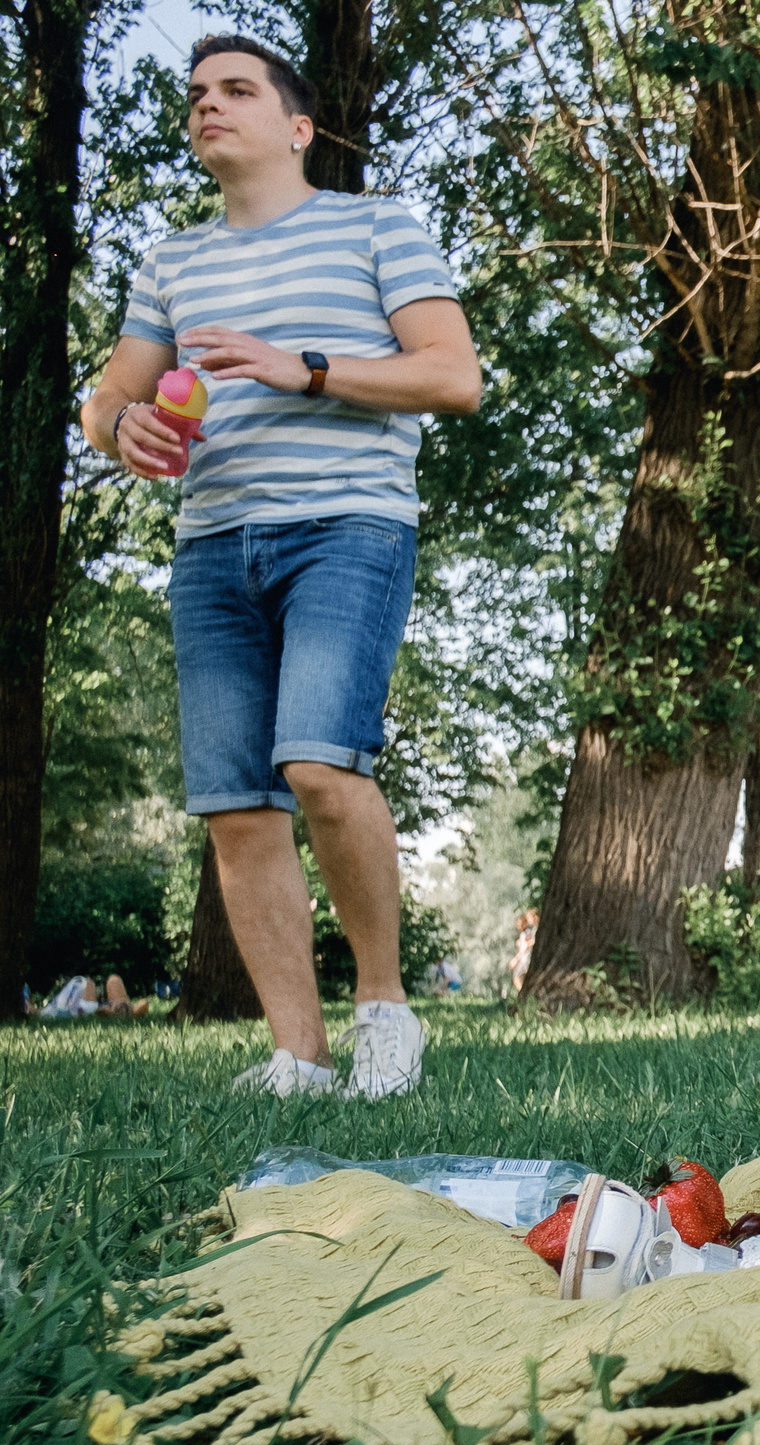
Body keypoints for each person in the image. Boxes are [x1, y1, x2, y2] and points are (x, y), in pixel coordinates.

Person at [79, 35, 480, 1098]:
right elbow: (107, 395)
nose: (209, 104)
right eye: (198, 93)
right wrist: (122, 428)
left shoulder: (373, 225)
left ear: (297, 127)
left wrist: (298, 369)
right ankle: (297, 1057)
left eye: (237, 89)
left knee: (317, 766)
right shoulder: (171, 260)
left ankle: (385, 1013)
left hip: (346, 529)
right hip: (213, 547)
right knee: (236, 806)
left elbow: (453, 376)